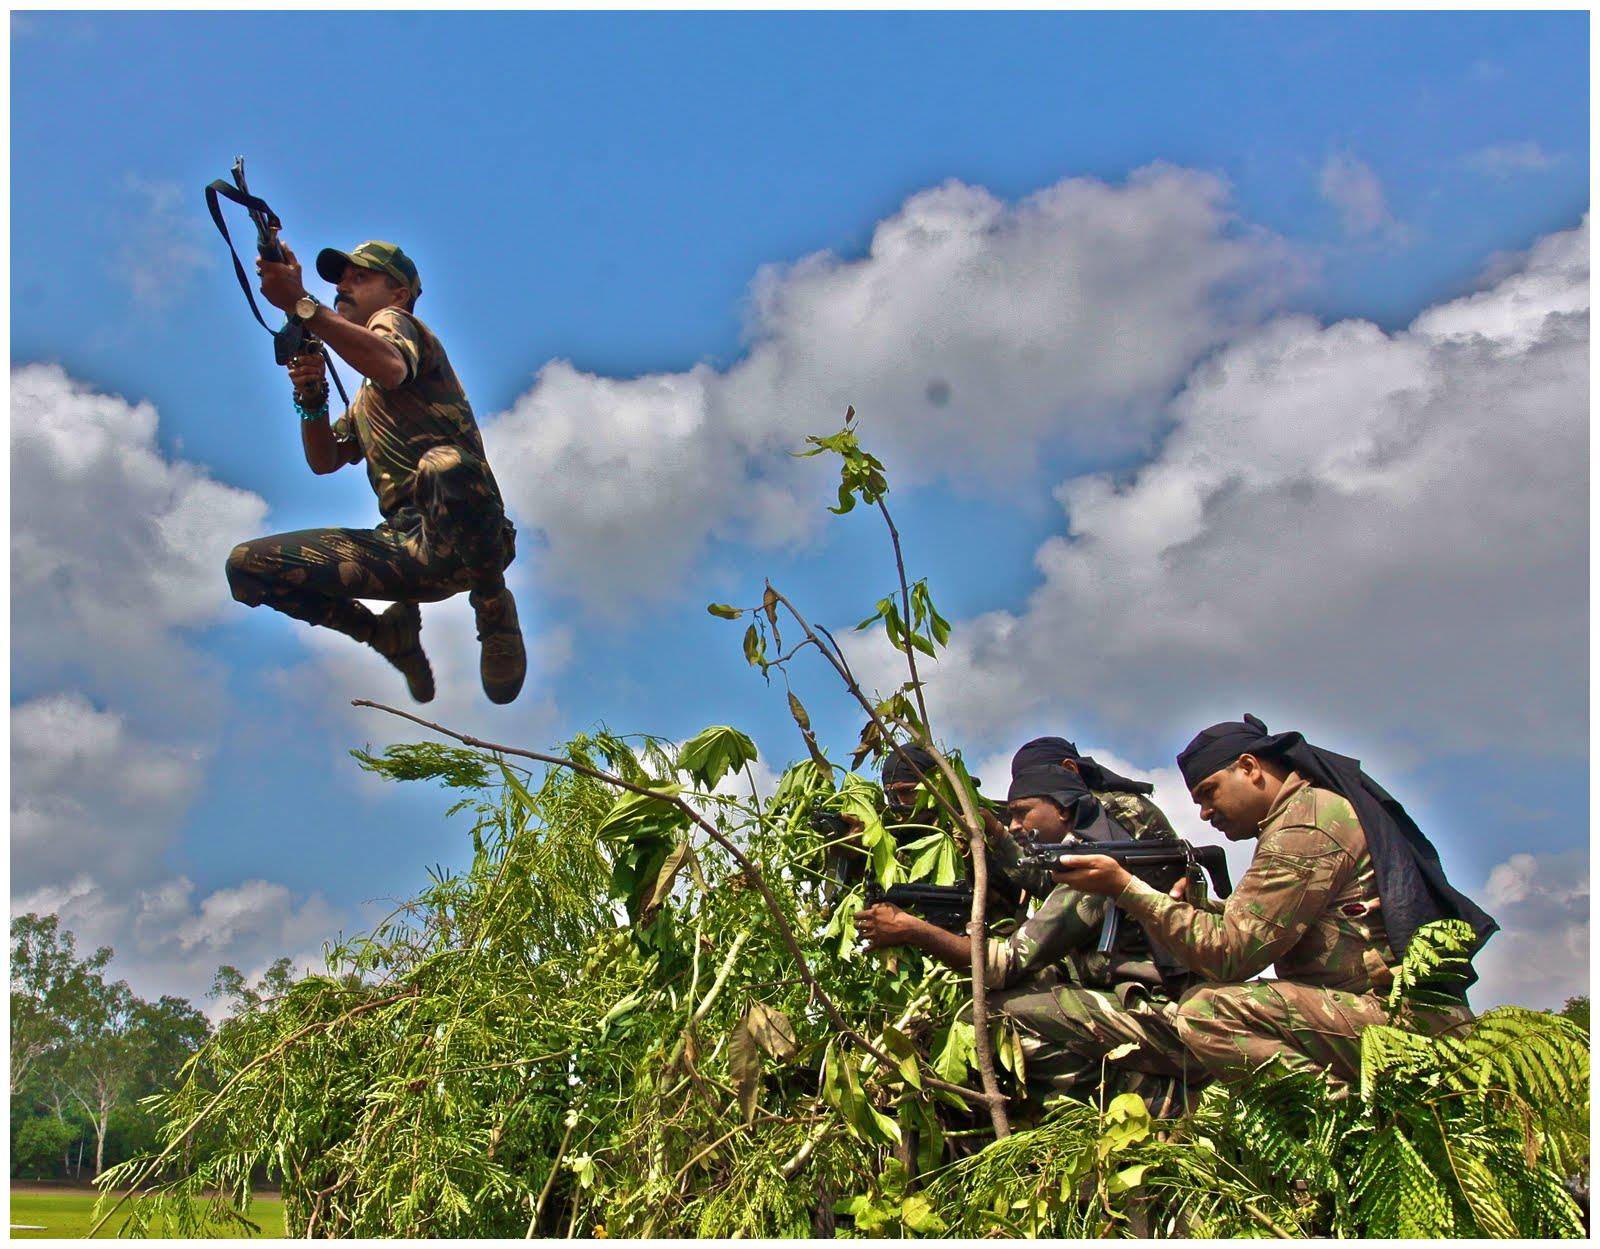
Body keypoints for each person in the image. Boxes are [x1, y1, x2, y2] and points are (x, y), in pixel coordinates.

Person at [1049, 714, 1497, 1089]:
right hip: (1380, 1013)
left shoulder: (1307, 828)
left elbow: (1232, 956)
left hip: (1396, 1021)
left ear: (1249, 767)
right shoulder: (1306, 815)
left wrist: (1127, 889)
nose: (1204, 812)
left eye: (1209, 791)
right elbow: (1261, 926)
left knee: (1208, 1014)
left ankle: (1335, 1130)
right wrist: (1196, 910)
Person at [225, 240, 526, 704]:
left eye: (360, 277)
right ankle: (384, 635)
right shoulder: (364, 396)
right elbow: (325, 460)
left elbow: (388, 364)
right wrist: (311, 399)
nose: (344, 285)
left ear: (399, 294)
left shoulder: (398, 326)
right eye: (341, 279)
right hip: (406, 551)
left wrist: (302, 305)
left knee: (442, 466)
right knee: (248, 566)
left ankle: (493, 607)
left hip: (467, 534)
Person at [856, 740, 1199, 1116]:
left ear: (1065, 808)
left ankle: (1132, 1095)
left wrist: (910, 929)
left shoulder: (1105, 858)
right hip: (1143, 1002)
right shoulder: (1096, 846)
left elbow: (1003, 965)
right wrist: (996, 838)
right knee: (1039, 981)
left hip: (1165, 1018)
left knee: (989, 1015)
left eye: (1022, 813)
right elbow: (1042, 882)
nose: (1014, 825)